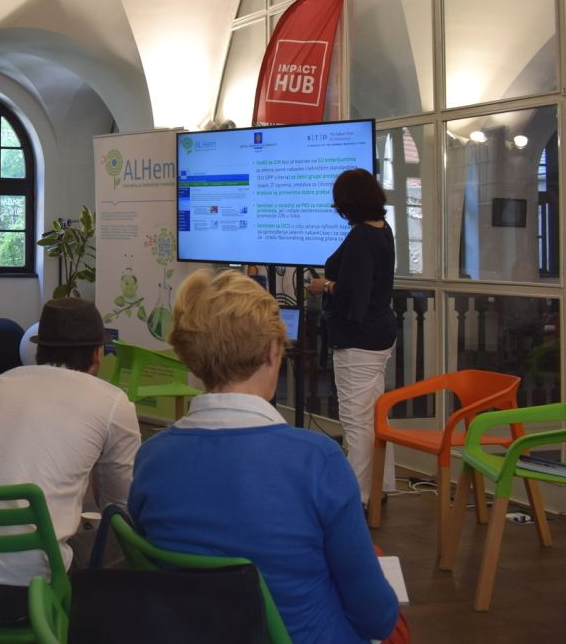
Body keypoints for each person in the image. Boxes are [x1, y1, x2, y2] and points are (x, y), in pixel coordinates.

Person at [129, 269, 401, 644]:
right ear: (273, 351)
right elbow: (377, 618)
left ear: (192, 357)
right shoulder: (317, 460)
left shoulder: (152, 458)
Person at [0, 298, 140, 626]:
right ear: (97, 354)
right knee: (128, 534)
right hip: (23, 597)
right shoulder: (113, 402)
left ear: (37, 350)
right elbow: (119, 508)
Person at [307, 167, 397, 506]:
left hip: (358, 340)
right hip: (380, 334)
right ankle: (379, 486)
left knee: (356, 422)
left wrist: (326, 285)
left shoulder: (360, 237)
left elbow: (353, 298)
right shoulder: (383, 229)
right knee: (374, 417)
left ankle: (355, 497)